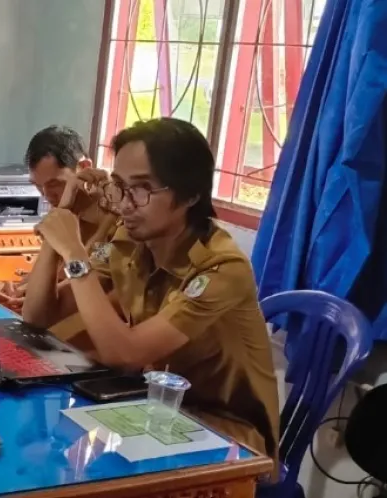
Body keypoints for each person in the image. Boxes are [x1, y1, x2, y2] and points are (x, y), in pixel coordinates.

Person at [27, 118, 280, 466]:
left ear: (190, 195)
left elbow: (125, 353)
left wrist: (74, 252)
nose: (124, 204)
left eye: (142, 189)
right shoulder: (132, 242)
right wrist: (60, 222)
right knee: (47, 447)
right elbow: (38, 317)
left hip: (229, 436)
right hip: (154, 409)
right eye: (119, 186)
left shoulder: (221, 268)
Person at [1, 126, 118, 346]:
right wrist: (16, 289)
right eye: (39, 187)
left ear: (84, 168)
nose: (47, 196)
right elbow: (47, 281)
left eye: (55, 184)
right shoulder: (68, 210)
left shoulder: (116, 221)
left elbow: (44, 310)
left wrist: (61, 212)